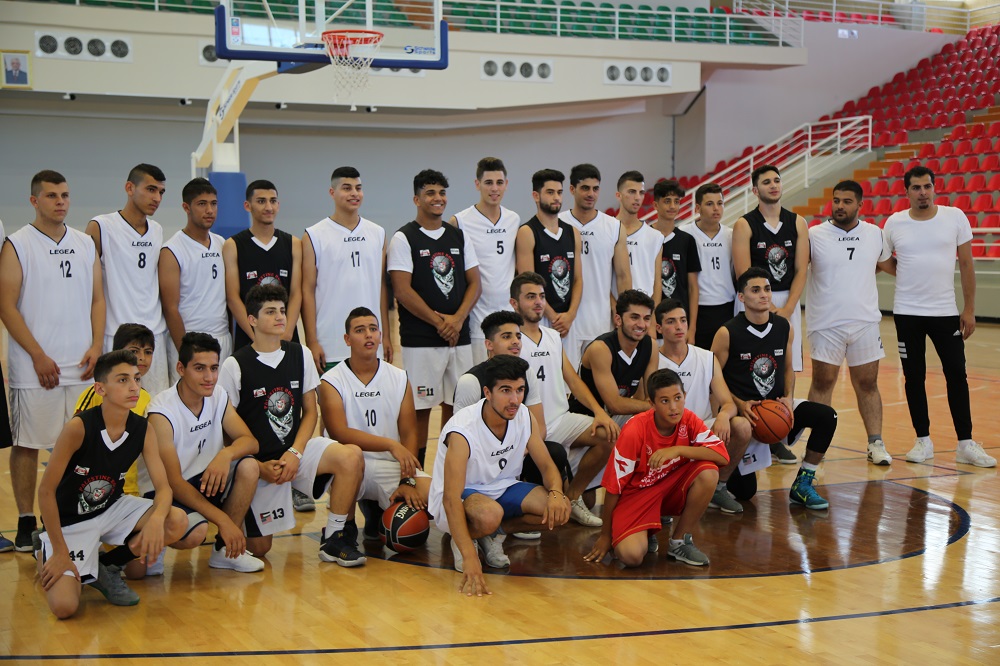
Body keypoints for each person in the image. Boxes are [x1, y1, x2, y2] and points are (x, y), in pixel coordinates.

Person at [220, 286, 368, 565]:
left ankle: (334, 538)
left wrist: (296, 452)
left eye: (282, 310)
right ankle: (231, 517)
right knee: (259, 549)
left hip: (295, 453)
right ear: (252, 320)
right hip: (260, 464)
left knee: (351, 456)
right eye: (270, 311)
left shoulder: (300, 354)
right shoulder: (234, 365)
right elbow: (226, 430)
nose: (280, 317)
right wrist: (254, 466)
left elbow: (310, 412)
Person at [35, 350, 187, 618]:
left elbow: (164, 488)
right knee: (64, 607)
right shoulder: (78, 428)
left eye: (136, 379)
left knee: (175, 520)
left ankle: (106, 566)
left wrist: (156, 519)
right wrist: (59, 552)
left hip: (111, 508)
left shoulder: (143, 429)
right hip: (70, 520)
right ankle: (45, 546)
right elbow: (46, 491)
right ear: (100, 389)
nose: (134, 387)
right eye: (123, 380)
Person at [0, 170, 105, 553]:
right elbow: (6, 306)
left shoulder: (84, 243)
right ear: (34, 201)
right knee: (28, 444)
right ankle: (26, 520)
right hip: (35, 368)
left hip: (81, 365)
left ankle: (66, 515)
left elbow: (98, 299)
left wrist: (97, 345)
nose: (60, 202)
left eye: (64, 195)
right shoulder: (17, 244)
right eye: (51, 196)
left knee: (80, 445)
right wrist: (38, 355)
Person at [428, 355, 571, 597]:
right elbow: (450, 499)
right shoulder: (462, 430)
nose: (514, 399)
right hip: (462, 495)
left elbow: (547, 466)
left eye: (520, 390)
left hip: (502, 487)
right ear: (487, 392)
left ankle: (493, 533)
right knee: (489, 515)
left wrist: (557, 493)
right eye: (506, 390)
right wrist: (470, 558)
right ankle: (464, 540)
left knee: (560, 510)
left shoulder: (524, 415)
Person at [882, 166, 993, 467]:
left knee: (957, 374)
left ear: (934, 187)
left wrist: (969, 309)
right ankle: (923, 441)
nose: (923, 193)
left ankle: (965, 443)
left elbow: (967, 265)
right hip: (907, 313)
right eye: (916, 188)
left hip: (945, 313)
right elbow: (883, 260)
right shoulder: (894, 222)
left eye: (927, 186)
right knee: (913, 377)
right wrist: (906, 272)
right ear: (907, 191)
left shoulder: (954, 217)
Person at [135, 332, 265, 576]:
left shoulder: (218, 395)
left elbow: (250, 442)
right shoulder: (161, 412)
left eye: (214, 368)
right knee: (195, 533)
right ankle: (158, 538)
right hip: (165, 492)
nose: (209, 377)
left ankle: (224, 551)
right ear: (181, 369)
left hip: (205, 481)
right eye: (199, 368)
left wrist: (225, 455)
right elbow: (174, 482)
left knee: (250, 466)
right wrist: (224, 521)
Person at [712, 268, 838, 510]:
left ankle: (803, 483)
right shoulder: (727, 332)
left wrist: (789, 398)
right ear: (741, 297)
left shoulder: (784, 326)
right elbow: (713, 379)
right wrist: (739, 404)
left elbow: (789, 369)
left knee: (827, 416)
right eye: (755, 290)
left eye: (767, 289)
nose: (764, 295)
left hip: (775, 408)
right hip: (744, 414)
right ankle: (719, 485)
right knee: (745, 492)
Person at [584, 369, 728, 567]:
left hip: (669, 488)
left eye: (678, 398)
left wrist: (678, 450)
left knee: (709, 472)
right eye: (665, 401)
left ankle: (679, 542)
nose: (673, 407)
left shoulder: (689, 419)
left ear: (685, 396)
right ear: (651, 404)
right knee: (631, 556)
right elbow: (613, 487)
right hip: (637, 494)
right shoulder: (634, 430)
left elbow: (722, 455)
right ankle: (646, 530)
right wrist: (605, 535)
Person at [511, 272, 619, 527]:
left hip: (561, 419)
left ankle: (573, 497)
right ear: (514, 303)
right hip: (528, 429)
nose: (538, 302)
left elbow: (573, 380)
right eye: (530, 297)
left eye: (541, 296)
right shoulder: (512, 341)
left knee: (609, 434)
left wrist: (599, 412)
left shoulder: (552, 336)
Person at [388, 169, 481, 463]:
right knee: (420, 408)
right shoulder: (404, 238)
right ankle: (416, 473)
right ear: (417, 199)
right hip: (421, 340)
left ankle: (447, 467)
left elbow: (475, 283)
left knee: (458, 408)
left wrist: (457, 320)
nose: (437, 198)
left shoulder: (458, 236)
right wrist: (441, 322)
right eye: (430, 193)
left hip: (459, 338)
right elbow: (402, 290)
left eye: (441, 193)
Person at [319, 306, 428, 543]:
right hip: (349, 466)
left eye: (373, 329)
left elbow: (409, 432)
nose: (368, 335)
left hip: (389, 466)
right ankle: (343, 529)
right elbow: (339, 432)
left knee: (436, 498)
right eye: (360, 330)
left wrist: (407, 481)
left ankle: (376, 511)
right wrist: (391, 445)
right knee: (348, 459)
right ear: (347, 339)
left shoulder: (399, 377)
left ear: (380, 335)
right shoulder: (331, 381)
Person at [807, 180, 894, 466]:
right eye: (836, 200)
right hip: (825, 323)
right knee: (822, 382)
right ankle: (816, 448)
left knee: (868, 383)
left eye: (846, 201)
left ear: (860, 205)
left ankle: (875, 443)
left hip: (864, 322)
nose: (840, 206)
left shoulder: (874, 234)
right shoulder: (814, 235)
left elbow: (887, 267)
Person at [655, 298, 751, 514]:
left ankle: (719, 487)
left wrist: (723, 416)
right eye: (671, 321)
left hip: (701, 428)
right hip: (667, 432)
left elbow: (728, 402)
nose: (679, 326)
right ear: (659, 328)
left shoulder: (706, 357)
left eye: (683, 320)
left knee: (742, 426)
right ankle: (661, 493)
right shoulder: (653, 359)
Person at [86, 164, 171, 395]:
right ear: (130, 188)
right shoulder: (101, 226)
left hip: (153, 336)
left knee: (155, 406)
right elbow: (87, 289)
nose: (157, 198)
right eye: (151, 189)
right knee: (118, 406)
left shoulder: (157, 230)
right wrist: (94, 341)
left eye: (161, 192)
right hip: (116, 335)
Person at [302, 166, 391, 371]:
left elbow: (381, 287)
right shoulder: (314, 235)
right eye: (347, 188)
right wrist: (312, 341)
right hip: (330, 344)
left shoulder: (378, 233)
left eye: (358, 188)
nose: (354, 193)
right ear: (332, 192)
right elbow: (307, 291)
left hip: (371, 343)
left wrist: (385, 335)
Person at [732, 164, 809, 375]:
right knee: (753, 365)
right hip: (754, 299)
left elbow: (801, 270)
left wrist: (788, 309)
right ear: (755, 190)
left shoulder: (798, 222)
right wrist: (771, 308)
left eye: (776, 180)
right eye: (766, 182)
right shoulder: (744, 224)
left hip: (788, 301)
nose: (773, 185)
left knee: (787, 367)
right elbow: (743, 274)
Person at [449, 157, 521, 365]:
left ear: (506, 184)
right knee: (480, 379)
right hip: (476, 320)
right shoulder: (459, 221)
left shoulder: (513, 219)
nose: (494, 188)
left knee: (509, 377)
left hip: (508, 318)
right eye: (488, 182)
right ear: (477, 184)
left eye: (499, 182)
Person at [559, 164, 631, 369]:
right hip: (565, 321)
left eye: (595, 188)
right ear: (572, 189)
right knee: (566, 383)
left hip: (600, 320)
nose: (591, 194)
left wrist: (625, 314)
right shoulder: (558, 223)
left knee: (599, 381)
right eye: (585, 188)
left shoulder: (614, 227)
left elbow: (623, 276)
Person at [159, 178, 231, 384]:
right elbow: (170, 308)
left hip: (222, 338)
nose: (209, 210)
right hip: (190, 340)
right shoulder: (172, 250)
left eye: (213, 204)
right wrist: (185, 351)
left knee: (222, 400)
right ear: (186, 207)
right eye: (202, 204)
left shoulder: (222, 243)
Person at [75, 323, 157, 498]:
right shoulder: (96, 393)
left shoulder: (145, 398)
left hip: (129, 490)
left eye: (148, 352)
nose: (141, 358)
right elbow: (75, 441)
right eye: (134, 351)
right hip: (90, 487)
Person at [224, 179, 302, 351]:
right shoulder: (233, 245)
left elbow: (296, 293)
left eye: (273, 201)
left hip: (285, 337)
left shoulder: (293, 244)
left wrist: (287, 333)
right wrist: (257, 338)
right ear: (247, 206)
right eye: (261, 201)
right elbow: (233, 297)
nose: (268, 207)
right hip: (249, 338)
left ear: (278, 205)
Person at [568, 289, 658, 427]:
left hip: (616, 416)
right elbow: (614, 404)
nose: (641, 324)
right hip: (586, 416)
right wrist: (655, 406)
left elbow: (651, 396)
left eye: (646, 318)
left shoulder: (651, 346)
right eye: (634, 317)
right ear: (618, 320)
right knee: (609, 434)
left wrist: (656, 407)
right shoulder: (601, 348)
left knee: (661, 423)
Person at [515, 169, 582, 350]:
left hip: (569, 320)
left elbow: (578, 279)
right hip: (542, 318)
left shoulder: (573, 232)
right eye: (550, 192)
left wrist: (570, 315)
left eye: (559, 192)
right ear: (536, 196)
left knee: (570, 368)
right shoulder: (527, 232)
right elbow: (528, 284)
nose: (556, 198)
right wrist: (553, 318)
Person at [649, 179, 701, 337]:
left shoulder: (687, 240)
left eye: (676, 201)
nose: (672, 206)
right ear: (655, 205)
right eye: (667, 201)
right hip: (650, 320)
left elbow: (693, 287)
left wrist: (692, 329)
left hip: (678, 321)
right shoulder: (645, 237)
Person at [688, 183, 736, 350]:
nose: (716, 208)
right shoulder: (685, 234)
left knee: (724, 360)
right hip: (697, 309)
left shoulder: (731, 235)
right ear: (697, 208)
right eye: (710, 204)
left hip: (726, 308)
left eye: (720, 203)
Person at [615, 171, 662, 305]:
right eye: (632, 192)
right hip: (613, 307)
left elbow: (657, 282)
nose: (637, 197)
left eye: (641, 193)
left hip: (644, 310)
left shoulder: (655, 236)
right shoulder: (606, 231)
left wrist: (653, 313)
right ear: (618, 195)